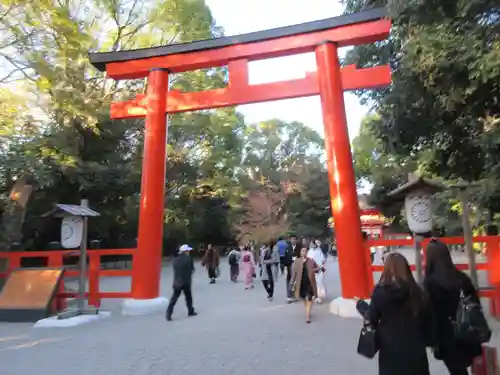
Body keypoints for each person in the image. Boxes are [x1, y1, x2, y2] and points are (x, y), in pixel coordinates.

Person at [356, 252, 434, 375]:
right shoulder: (418, 291)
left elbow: (372, 317)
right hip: (415, 348)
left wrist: (360, 305)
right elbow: (428, 320)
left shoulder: (380, 292)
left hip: (390, 349)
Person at [423, 239, 482, 375]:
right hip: (467, 330)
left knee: (456, 369)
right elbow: (475, 303)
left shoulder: (430, 284)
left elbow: (429, 313)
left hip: (446, 336)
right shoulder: (462, 278)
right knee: (460, 369)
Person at [166, 244, 197, 321]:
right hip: (186, 281)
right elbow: (192, 269)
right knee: (188, 297)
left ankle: (168, 314)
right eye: (188, 251)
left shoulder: (175, 260)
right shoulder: (188, 258)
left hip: (177, 282)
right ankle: (190, 311)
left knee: (174, 299)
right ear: (185, 251)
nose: (189, 252)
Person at [290, 247, 318, 323]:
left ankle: (307, 316)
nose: (304, 252)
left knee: (309, 298)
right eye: (302, 251)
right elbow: (294, 273)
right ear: (300, 253)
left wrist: (318, 269)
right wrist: (291, 282)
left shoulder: (311, 261)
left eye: (305, 251)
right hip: (301, 283)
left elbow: (317, 268)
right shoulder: (297, 261)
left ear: (307, 252)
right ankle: (307, 310)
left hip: (310, 283)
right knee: (303, 298)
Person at [284, 234, 299, 302]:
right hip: (289, 266)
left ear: (296, 240)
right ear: (290, 240)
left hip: (298, 265)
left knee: (297, 281)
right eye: (292, 239)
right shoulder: (287, 248)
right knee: (289, 280)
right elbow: (285, 258)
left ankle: (295, 295)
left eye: (294, 239)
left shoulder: (299, 247)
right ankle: (289, 296)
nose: (293, 240)